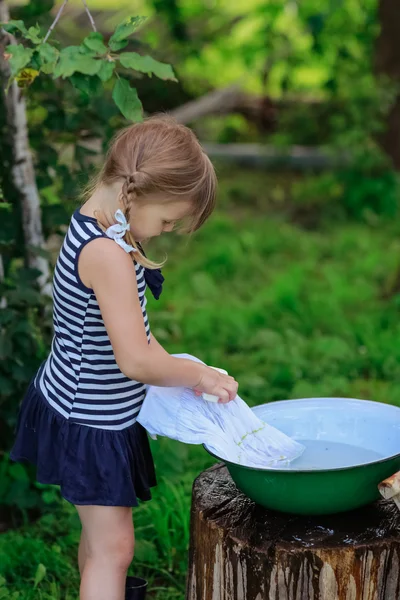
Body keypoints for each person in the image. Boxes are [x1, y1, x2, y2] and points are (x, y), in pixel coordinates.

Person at [10, 115, 238, 600]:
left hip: (88, 410)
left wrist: (185, 373)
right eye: (167, 220)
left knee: (100, 541)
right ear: (135, 193)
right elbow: (135, 360)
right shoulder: (107, 255)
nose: (167, 230)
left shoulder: (102, 228)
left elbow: (137, 341)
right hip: (91, 422)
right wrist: (197, 373)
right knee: (114, 549)